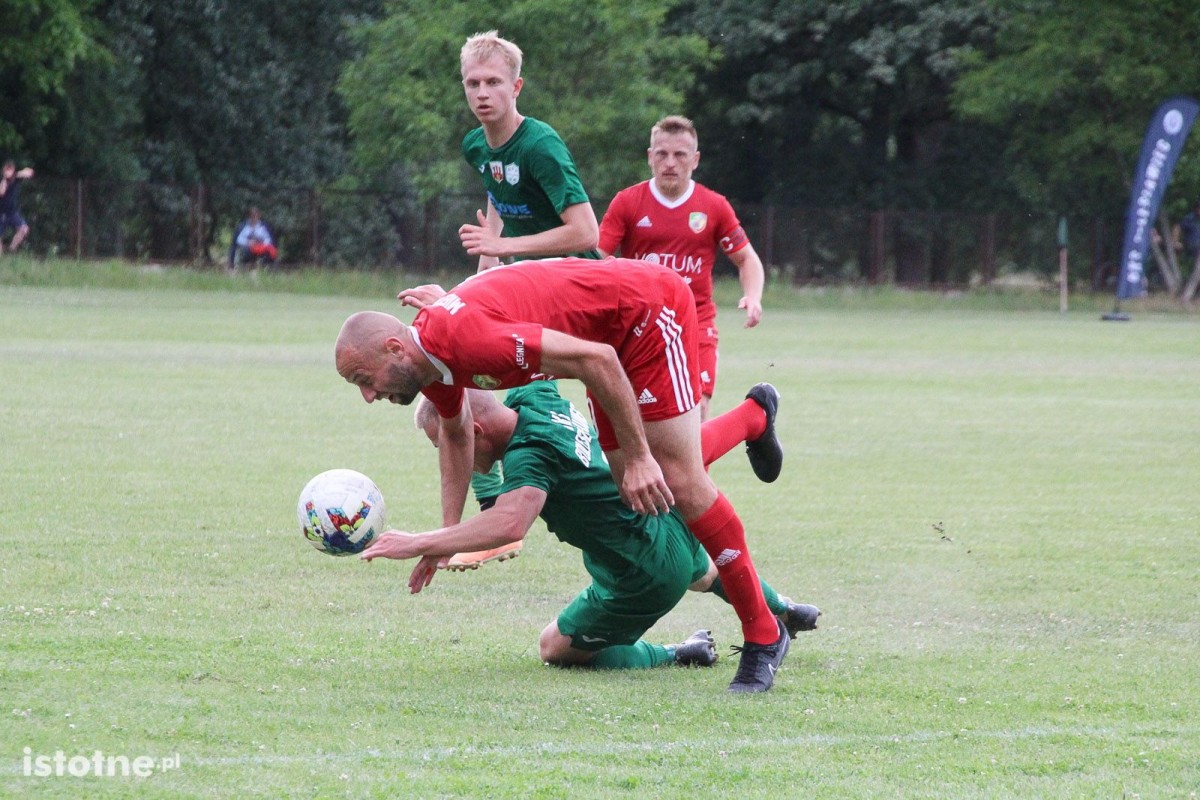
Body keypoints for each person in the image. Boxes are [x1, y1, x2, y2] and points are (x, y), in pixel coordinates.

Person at [335, 257, 792, 692]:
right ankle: (754, 416)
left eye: (363, 379)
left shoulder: (467, 344)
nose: (369, 396)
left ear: (395, 348)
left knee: (679, 482)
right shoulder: (435, 362)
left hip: (647, 313)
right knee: (649, 478)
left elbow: (594, 360)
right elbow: (456, 435)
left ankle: (762, 635)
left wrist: (636, 455)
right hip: (606, 345)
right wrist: (445, 537)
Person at [359, 381, 820, 674]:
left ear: (473, 432)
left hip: (644, 567)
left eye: (446, 445)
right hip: (660, 508)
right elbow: (493, 359)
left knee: (554, 648)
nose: (448, 456)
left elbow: (511, 522)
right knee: (699, 562)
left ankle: (681, 652)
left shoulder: (529, 459)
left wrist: (420, 541)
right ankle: (783, 609)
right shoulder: (533, 397)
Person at [599, 116, 767, 421]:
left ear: (695, 160)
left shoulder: (713, 206)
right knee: (637, 416)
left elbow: (747, 260)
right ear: (650, 157)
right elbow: (595, 258)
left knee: (695, 410)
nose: (670, 163)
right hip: (639, 324)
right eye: (662, 154)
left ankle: (721, 446)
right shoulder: (627, 203)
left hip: (695, 324)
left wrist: (753, 296)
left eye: (680, 155)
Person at [456, 31, 600, 271]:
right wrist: (488, 254)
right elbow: (498, 185)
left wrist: (503, 245)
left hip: (579, 280)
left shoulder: (539, 145)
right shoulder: (474, 145)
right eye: (473, 83)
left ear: (516, 87)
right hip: (531, 280)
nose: (482, 93)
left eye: (493, 82)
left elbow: (586, 234)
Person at [0, 160, 34, 254]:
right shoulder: (2, 180)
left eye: (10, 169)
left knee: (24, 229)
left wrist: (16, 174)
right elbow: (1, 192)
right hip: (1, 213)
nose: (8, 172)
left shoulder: (16, 178)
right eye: (6, 170)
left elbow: (30, 172)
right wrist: (4, 179)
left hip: (12, 212)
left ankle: (11, 249)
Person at [229, 207, 278, 271]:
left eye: (256, 216)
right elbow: (239, 240)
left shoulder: (263, 227)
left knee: (269, 251)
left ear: (259, 216)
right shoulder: (244, 227)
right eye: (252, 216)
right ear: (249, 216)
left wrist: (262, 244)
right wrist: (248, 242)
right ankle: (245, 268)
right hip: (248, 248)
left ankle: (267, 268)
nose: (254, 218)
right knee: (246, 252)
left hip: (261, 248)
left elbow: (268, 239)